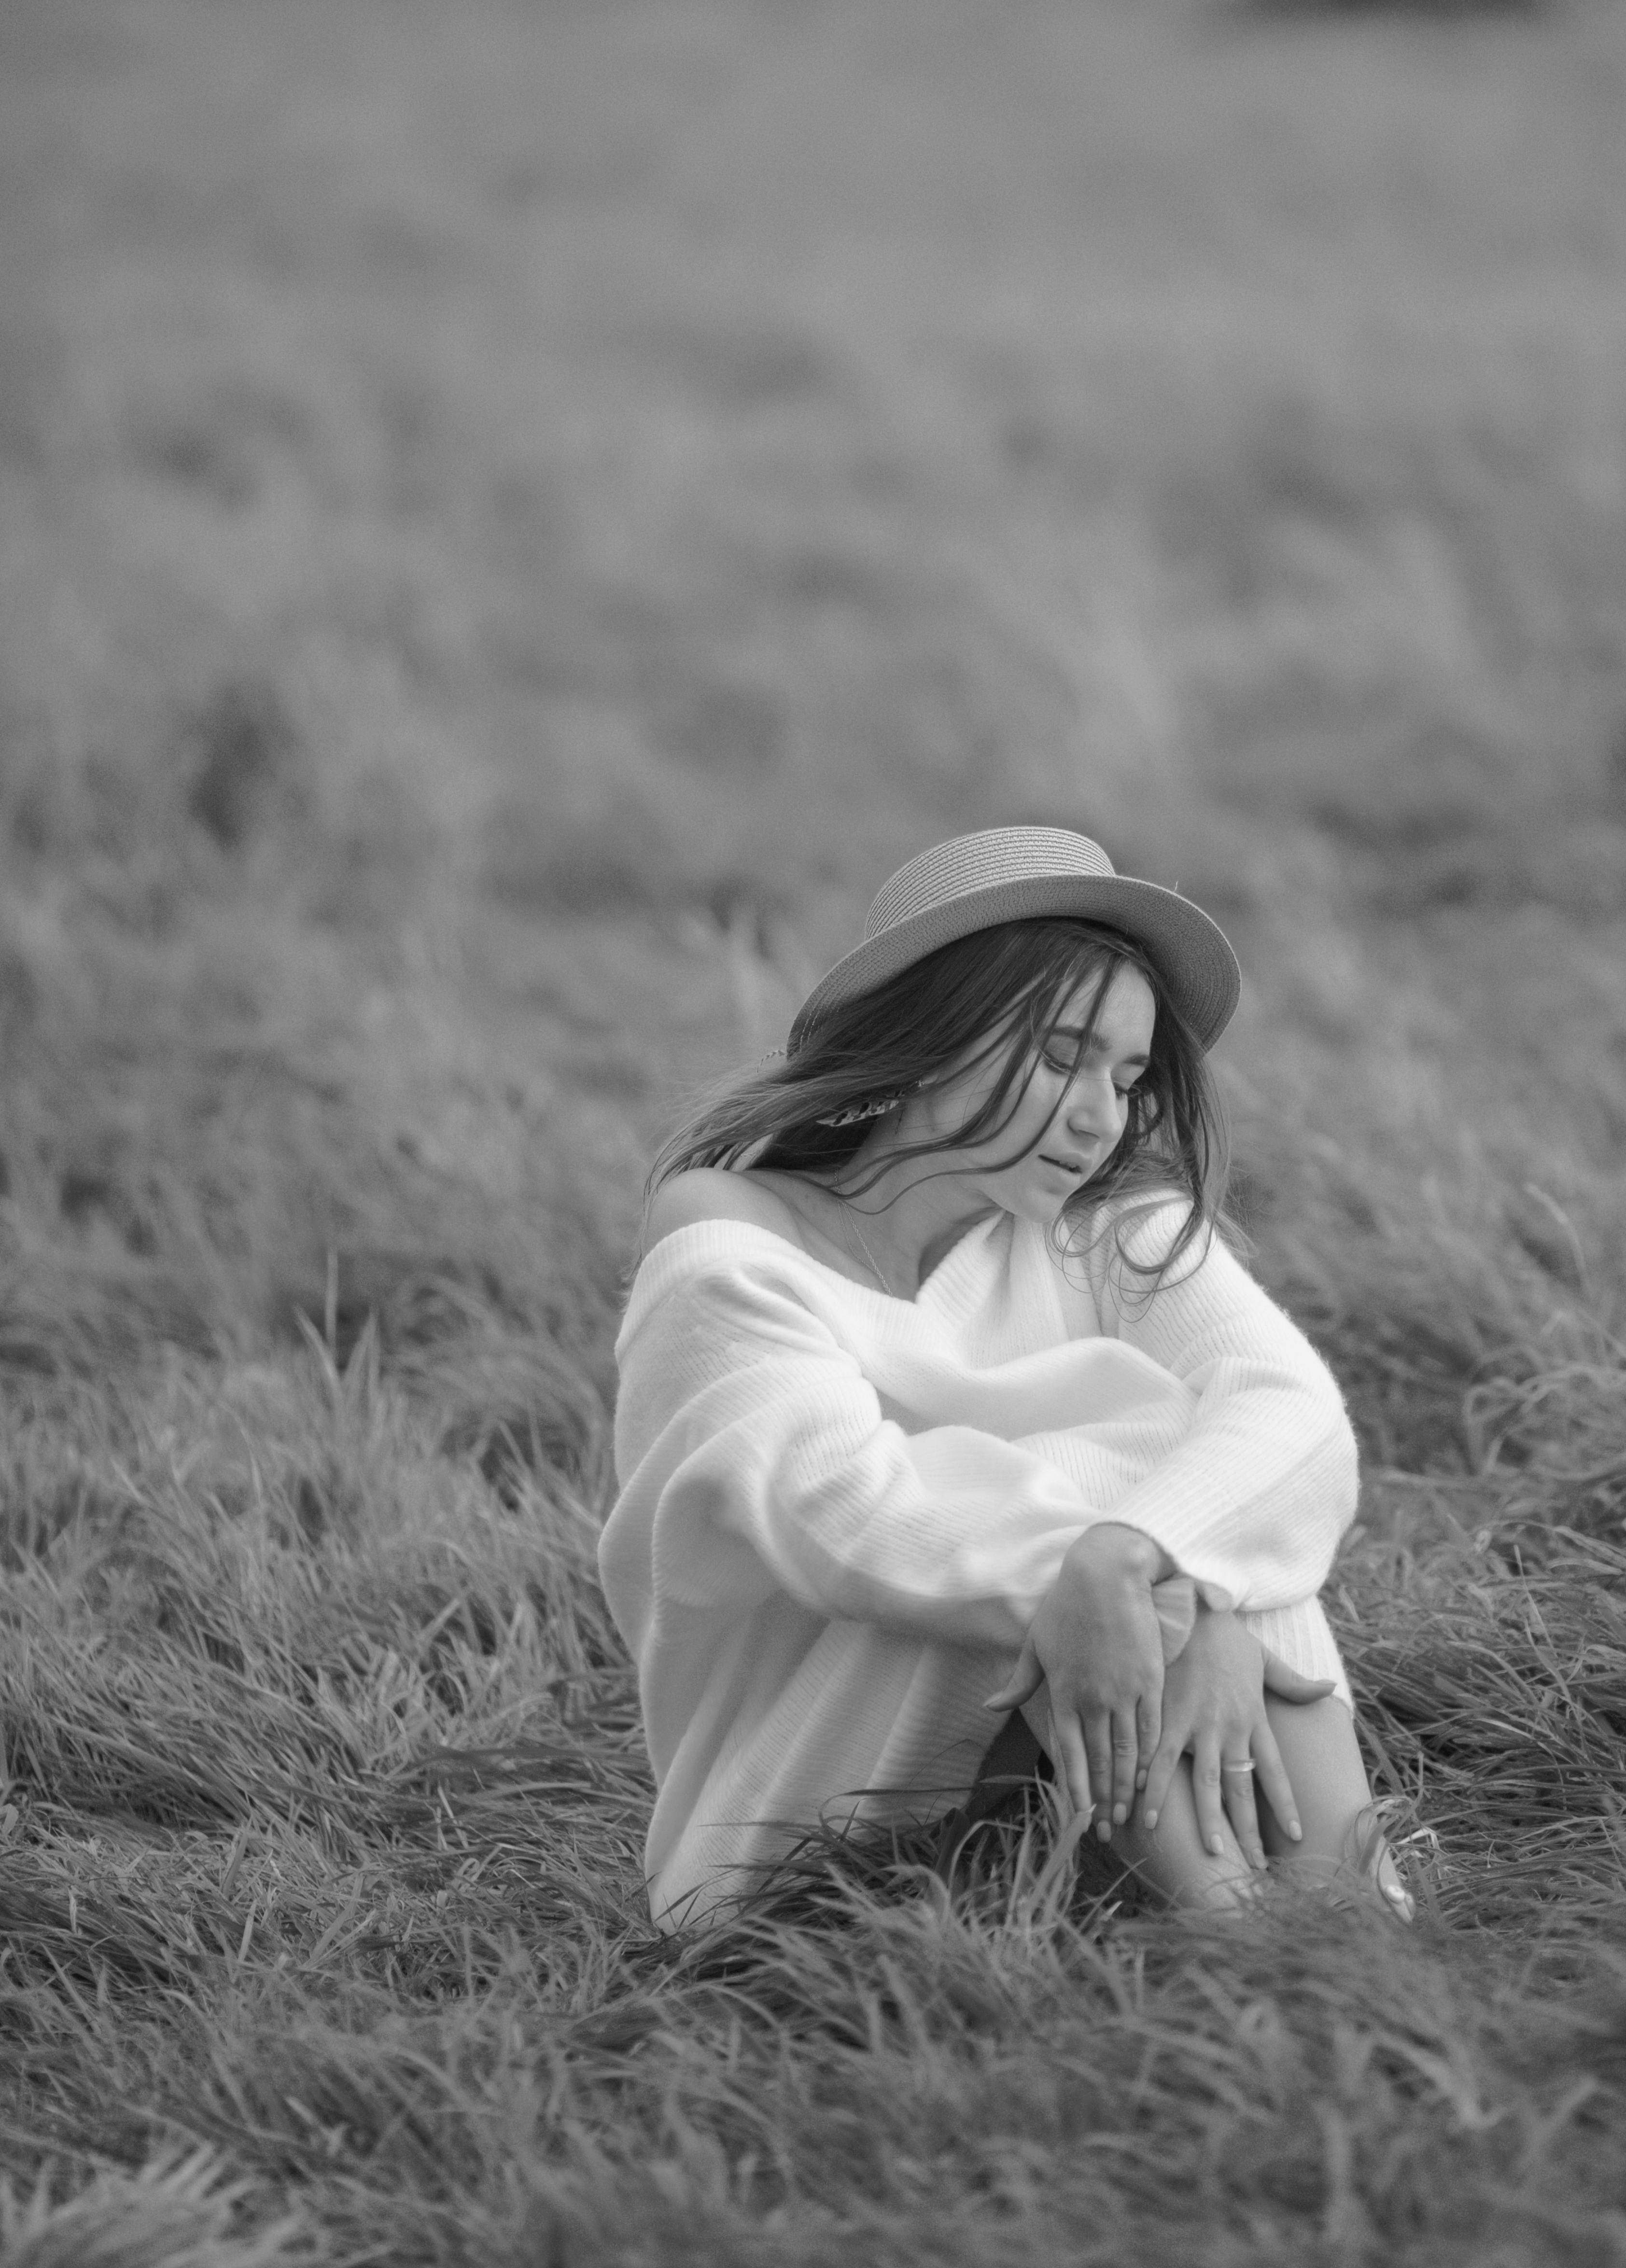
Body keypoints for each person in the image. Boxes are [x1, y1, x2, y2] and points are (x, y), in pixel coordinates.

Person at [598, 823, 1404, 1928]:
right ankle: (1247, 1947)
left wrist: (1142, 1559)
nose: (1099, 1116)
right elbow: (852, 1516)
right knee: (1143, 1512)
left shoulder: (1110, 1225)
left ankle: (1340, 1925)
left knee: (1212, 1507)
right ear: (933, 1033)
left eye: (1126, 1077)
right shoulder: (730, 1238)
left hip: (1053, 1724)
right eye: (1064, 1055)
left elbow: (1295, 1420)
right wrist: (1156, 1594)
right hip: (795, 1811)